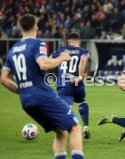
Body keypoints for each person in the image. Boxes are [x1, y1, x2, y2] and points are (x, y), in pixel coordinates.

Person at [0, 14, 84, 159]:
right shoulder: (37, 43)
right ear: (36, 27)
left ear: (20, 28)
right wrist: (61, 58)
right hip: (42, 95)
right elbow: (44, 64)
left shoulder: (12, 50)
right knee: (75, 127)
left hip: (26, 101)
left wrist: (23, 91)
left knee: (60, 132)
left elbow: (3, 79)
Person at [51, 32, 91, 139]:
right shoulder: (83, 51)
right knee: (82, 101)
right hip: (77, 82)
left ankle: (67, 130)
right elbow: (83, 60)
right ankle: (86, 126)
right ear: (79, 42)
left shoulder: (61, 50)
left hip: (64, 83)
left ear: (68, 41)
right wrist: (80, 76)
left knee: (65, 107)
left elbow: (50, 59)